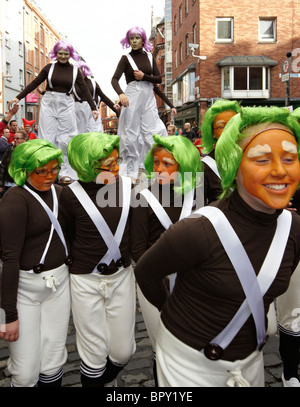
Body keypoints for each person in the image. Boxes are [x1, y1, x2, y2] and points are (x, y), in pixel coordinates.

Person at [134, 106, 300, 387]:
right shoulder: (198, 229)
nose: (279, 170)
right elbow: (145, 271)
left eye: (290, 158)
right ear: (233, 166)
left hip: (251, 363)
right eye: (261, 159)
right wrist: (171, 311)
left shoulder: (294, 228)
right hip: (186, 366)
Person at [59, 132, 136, 387]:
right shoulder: (69, 196)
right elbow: (66, 234)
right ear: (88, 167)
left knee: (123, 351)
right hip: (85, 281)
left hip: (122, 276)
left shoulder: (127, 187)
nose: (115, 169)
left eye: (117, 162)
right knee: (93, 356)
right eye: (108, 166)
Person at [131, 134, 204, 385]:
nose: (159, 169)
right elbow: (138, 249)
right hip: (156, 281)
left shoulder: (198, 195)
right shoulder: (142, 197)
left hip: (194, 282)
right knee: (161, 347)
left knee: (192, 344)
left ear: (184, 165)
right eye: (157, 162)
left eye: (167, 164)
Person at [0, 139, 71, 387]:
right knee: (26, 371)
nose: (49, 176)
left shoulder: (61, 193)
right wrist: (8, 315)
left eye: (54, 169)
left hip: (58, 286)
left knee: (53, 361)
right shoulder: (14, 200)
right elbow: (9, 259)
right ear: (24, 170)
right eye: (41, 171)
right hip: (25, 291)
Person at [8, 39, 99, 183]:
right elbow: (35, 82)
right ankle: (44, 168)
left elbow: (84, 89)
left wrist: (94, 108)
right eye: (60, 53)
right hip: (49, 102)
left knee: (66, 139)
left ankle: (64, 172)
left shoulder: (75, 71)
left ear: (70, 54)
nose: (63, 56)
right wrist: (18, 97)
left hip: (67, 103)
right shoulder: (49, 68)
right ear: (56, 54)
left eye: (66, 54)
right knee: (47, 137)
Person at [111, 26, 168, 181]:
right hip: (132, 95)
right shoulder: (125, 59)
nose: (134, 41)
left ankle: (153, 169)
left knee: (152, 132)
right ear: (128, 41)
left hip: (148, 96)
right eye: (131, 38)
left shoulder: (150, 57)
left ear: (143, 39)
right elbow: (114, 79)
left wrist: (144, 76)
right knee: (131, 134)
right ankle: (129, 173)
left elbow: (158, 79)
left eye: (137, 38)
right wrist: (121, 94)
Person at [201, 99, 241, 204]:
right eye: (221, 126)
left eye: (233, 123)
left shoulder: (254, 157)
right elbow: (196, 208)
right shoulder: (203, 167)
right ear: (212, 133)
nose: (228, 129)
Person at [74, 61, 120, 134]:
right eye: (78, 69)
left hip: (93, 110)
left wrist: (115, 109)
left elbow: (103, 96)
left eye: (82, 69)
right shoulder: (73, 84)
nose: (80, 71)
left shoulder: (93, 82)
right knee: (80, 134)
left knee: (95, 132)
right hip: (79, 111)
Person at [0, 130, 28, 197]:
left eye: (18, 138)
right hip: (8, 184)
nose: (15, 140)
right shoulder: (10, 150)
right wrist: (1, 184)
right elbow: (2, 167)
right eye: (14, 138)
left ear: (24, 140)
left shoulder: (28, 152)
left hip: (23, 185)